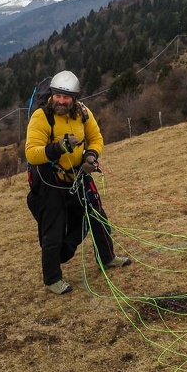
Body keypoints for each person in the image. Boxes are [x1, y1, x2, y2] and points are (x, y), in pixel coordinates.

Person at [25, 70, 131, 295]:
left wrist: (91, 156)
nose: (61, 101)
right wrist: (58, 147)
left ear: (75, 97)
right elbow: (32, 153)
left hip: (79, 175)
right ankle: (53, 278)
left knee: (97, 216)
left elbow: (96, 138)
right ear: (52, 95)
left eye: (66, 97)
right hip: (51, 180)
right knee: (52, 230)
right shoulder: (41, 117)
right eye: (57, 96)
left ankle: (107, 257)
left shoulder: (82, 113)